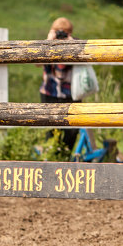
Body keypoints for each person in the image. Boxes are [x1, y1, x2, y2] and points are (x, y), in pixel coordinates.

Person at [40, 16, 79, 152]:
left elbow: (84, 60)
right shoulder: (47, 46)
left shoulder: (76, 44)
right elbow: (36, 63)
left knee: (71, 131)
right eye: (58, 32)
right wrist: (49, 41)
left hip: (71, 93)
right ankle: (51, 155)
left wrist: (70, 42)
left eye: (64, 32)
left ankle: (65, 155)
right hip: (50, 92)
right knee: (51, 128)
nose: (61, 35)